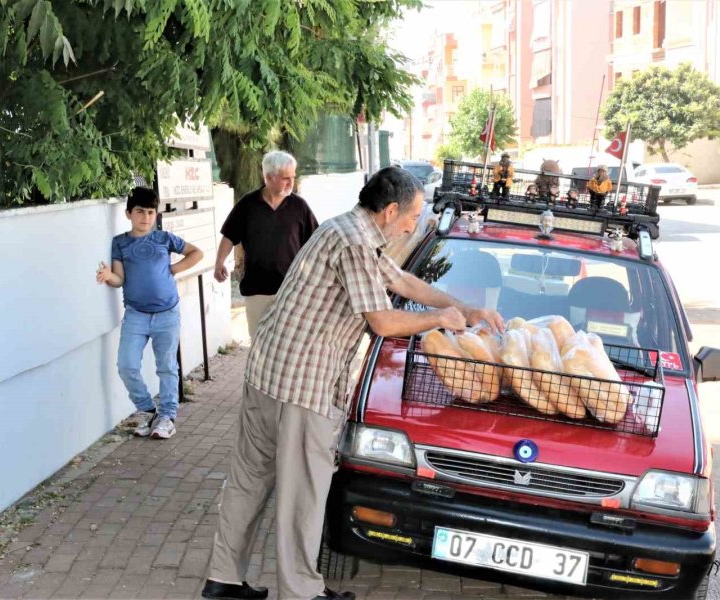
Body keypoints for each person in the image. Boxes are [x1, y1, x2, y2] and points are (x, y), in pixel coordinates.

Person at [200, 167, 505, 600]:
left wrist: (465, 308)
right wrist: (439, 319)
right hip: (302, 386)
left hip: (267, 372)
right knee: (302, 493)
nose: (412, 226)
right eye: (412, 216)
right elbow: (381, 322)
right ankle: (301, 592)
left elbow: (401, 281)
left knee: (249, 479)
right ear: (391, 210)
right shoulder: (355, 243)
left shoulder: (346, 229)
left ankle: (222, 580)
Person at [96, 187, 203, 439]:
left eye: (151, 212)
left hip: (167, 313)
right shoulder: (120, 243)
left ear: (156, 214)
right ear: (128, 214)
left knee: (167, 366)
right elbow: (119, 278)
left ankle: (167, 416)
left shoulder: (164, 238)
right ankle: (147, 410)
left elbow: (196, 253)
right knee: (127, 365)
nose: (145, 217)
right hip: (136, 315)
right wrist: (108, 276)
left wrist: (174, 269)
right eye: (140, 212)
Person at [214, 151, 318, 339]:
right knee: (259, 345)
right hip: (257, 290)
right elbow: (229, 235)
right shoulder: (247, 205)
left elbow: (315, 243)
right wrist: (219, 262)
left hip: (291, 290)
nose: (291, 183)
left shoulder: (300, 207)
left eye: (292, 177)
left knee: (289, 345)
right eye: (286, 178)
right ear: (269, 177)